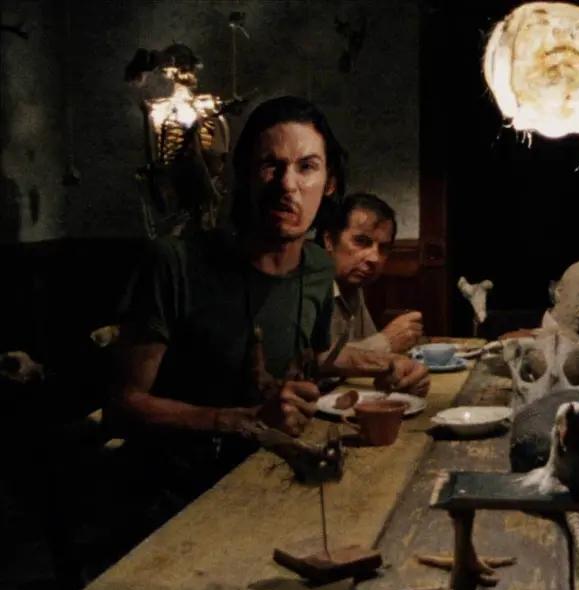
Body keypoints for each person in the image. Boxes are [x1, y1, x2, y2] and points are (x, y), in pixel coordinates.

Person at [112, 97, 429, 489]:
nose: (287, 185)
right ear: (245, 174)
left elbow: (314, 355)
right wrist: (240, 420)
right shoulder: (174, 263)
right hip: (176, 489)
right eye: (270, 165)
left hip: (272, 474)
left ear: (329, 183)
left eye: (307, 166)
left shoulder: (318, 267)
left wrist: (388, 364)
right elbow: (123, 406)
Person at [319, 192, 423, 354]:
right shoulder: (308, 286)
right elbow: (313, 362)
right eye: (361, 241)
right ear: (329, 241)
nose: (375, 258)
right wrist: (386, 341)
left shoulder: (354, 284)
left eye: (384, 248)